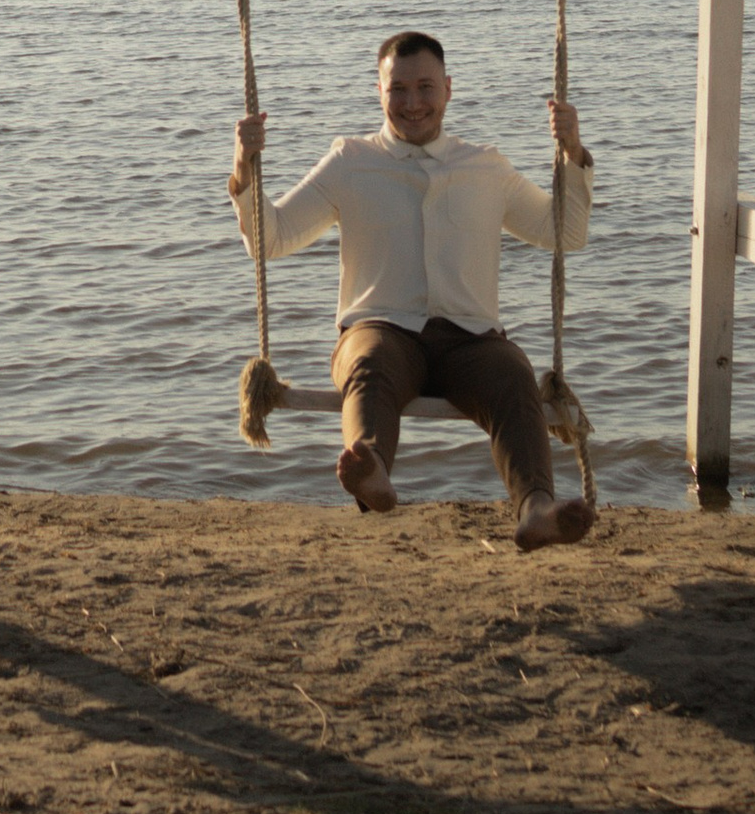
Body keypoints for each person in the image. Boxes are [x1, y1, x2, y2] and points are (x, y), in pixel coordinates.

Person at [230, 29, 594, 549]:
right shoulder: (350, 162)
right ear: (379, 92)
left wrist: (572, 151)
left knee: (514, 375)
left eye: (424, 87)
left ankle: (536, 508)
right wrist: (244, 167)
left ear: (448, 89)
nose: (412, 103)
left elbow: (565, 232)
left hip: (472, 338)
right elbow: (271, 238)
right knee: (370, 362)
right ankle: (371, 469)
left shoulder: (485, 167)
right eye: (398, 89)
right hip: (381, 328)